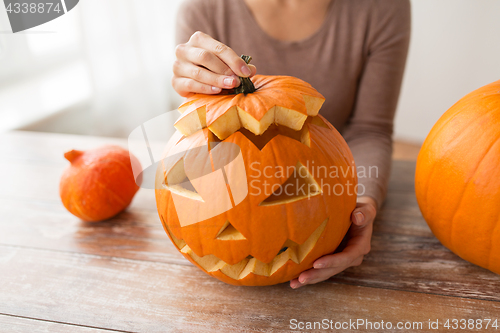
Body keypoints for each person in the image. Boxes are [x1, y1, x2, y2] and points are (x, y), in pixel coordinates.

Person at [172, 0, 411, 288]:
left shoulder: (383, 8)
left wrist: (364, 205)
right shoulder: (202, 9)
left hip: (325, 182)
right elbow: (201, 138)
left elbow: (370, 130)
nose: (233, 232)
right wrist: (193, 93)